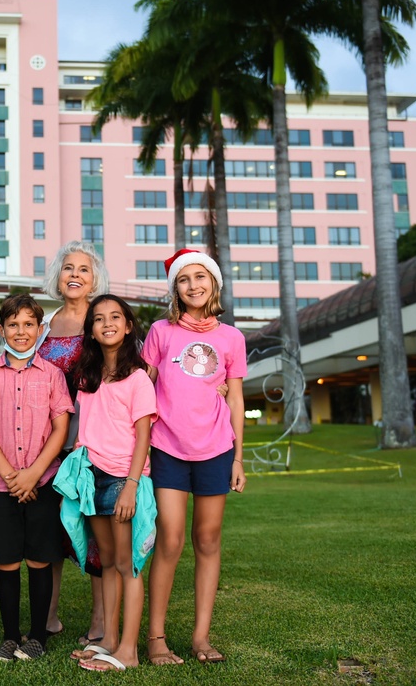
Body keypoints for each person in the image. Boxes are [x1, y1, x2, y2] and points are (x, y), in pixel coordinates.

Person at [142, 249, 246, 666]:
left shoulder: (231, 338)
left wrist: (239, 456)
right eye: (184, 279)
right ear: (175, 289)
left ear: (213, 283)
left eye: (201, 277)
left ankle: (201, 638)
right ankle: (156, 639)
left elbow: (235, 397)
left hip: (216, 449)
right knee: (169, 539)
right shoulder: (161, 332)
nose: (193, 285)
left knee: (207, 539)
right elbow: (142, 389)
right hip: (167, 447)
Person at [0, 294, 73, 662]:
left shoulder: (52, 375)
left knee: (40, 559)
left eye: (28, 324)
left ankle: (39, 638)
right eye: (12, 325)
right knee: (7, 561)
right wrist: (13, 477)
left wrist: (32, 475)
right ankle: (11, 636)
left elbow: (60, 427)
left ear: (40, 329)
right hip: (2, 485)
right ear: (1, 330)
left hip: (42, 482)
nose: (20, 331)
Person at [66, 295, 157, 672]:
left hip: (123, 478)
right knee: (105, 564)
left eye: (115, 317)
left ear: (128, 326)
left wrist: (133, 485)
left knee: (126, 564)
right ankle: (108, 639)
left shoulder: (138, 378)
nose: (107, 323)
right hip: (93, 477)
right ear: (90, 329)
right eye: (99, 318)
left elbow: (144, 435)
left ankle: (130, 652)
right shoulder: (87, 378)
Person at [35, 240, 110, 645]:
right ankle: (48, 617)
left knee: (96, 535)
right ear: (58, 276)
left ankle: (99, 622)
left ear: (94, 277)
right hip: (48, 443)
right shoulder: (44, 325)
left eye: (83, 268)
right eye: (68, 268)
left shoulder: (102, 320)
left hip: (93, 442)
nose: (75, 274)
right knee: (50, 534)